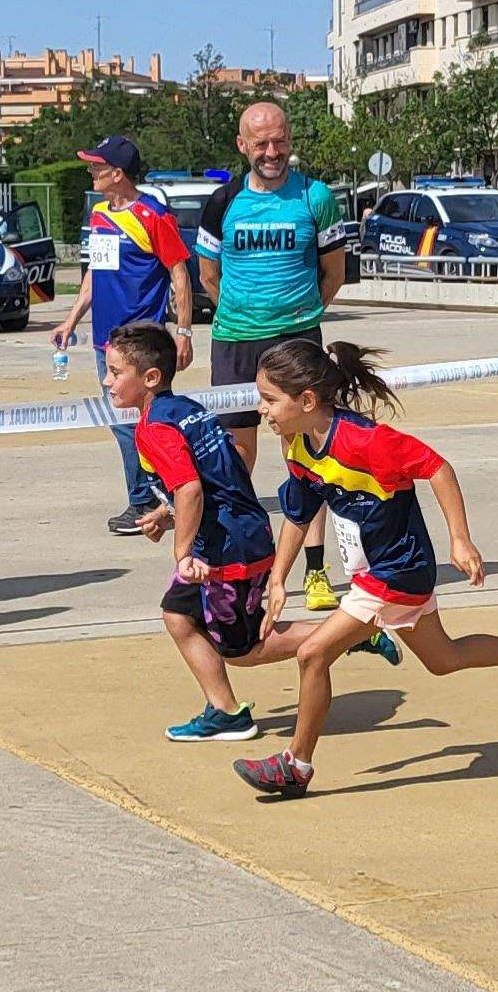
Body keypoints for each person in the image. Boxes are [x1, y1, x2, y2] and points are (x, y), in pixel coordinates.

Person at [225, 339, 498, 798]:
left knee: (313, 654)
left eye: (269, 400)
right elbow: (300, 516)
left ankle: (295, 766)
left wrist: (460, 539)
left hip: (400, 569)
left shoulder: (367, 441)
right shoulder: (298, 446)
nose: (262, 410)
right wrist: (279, 578)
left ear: (305, 401)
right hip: (378, 570)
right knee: (445, 659)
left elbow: (437, 467)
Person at [195, 102, 352, 606]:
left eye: (279, 141)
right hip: (236, 341)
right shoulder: (222, 203)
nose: (271, 152)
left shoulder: (316, 197)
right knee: (235, 456)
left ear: (289, 140)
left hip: (297, 339)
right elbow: (207, 276)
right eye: (260, 143)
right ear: (242, 145)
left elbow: (334, 274)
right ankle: (245, 564)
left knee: (306, 454)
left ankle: (314, 572)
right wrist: (243, 316)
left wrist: (299, 318)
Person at [105, 321, 281, 742]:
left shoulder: (154, 429)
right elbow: (209, 481)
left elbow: (191, 487)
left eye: (115, 372)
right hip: (234, 532)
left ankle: (349, 631)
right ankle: (225, 711)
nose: (106, 381)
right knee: (179, 615)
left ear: (150, 378)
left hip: (227, 545)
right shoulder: (183, 409)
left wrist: (181, 551)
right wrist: (167, 514)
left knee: (241, 648)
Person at [53, 135, 191, 536]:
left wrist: (182, 332)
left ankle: (151, 499)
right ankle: (159, 495)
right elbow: (96, 273)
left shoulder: (153, 215)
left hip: (142, 340)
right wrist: (71, 319)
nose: (91, 172)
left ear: (117, 174)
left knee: (137, 422)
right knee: (125, 423)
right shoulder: (100, 214)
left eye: (97, 167)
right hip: (105, 341)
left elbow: (179, 273)